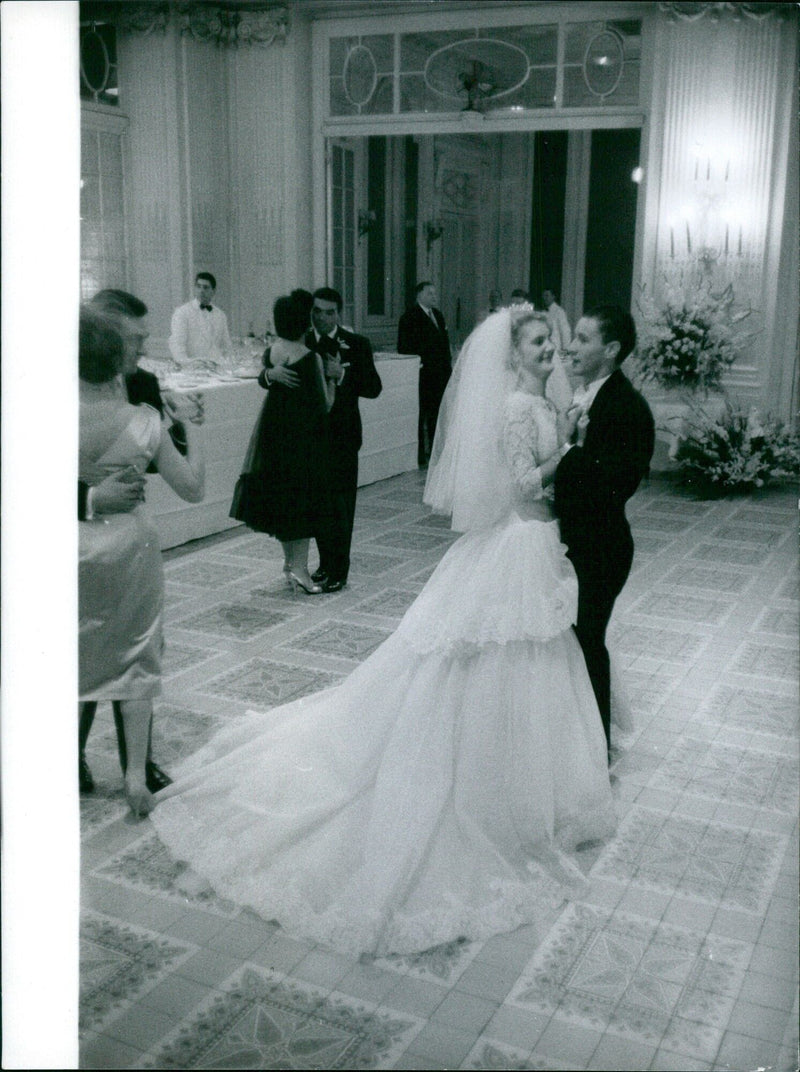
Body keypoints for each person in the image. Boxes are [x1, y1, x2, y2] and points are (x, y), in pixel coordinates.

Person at [150, 306, 616, 958]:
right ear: (514, 356)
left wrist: (565, 443)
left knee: (536, 665)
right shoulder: (515, 407)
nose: (549, 351)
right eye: (538, 343)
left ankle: (534, 792)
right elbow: (520, 487)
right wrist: (566, 455)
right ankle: (491, 792)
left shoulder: (542, 404)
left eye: (552, 342)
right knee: (491, 666)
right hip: (517, 546)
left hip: (537, 549)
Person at [79, 306, 205, 816]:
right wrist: (193, 429)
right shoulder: (144, 421)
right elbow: (193, 488)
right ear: (116, 364)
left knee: (71, 653)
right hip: (129, 546)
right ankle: (135, 779)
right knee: (135, 657)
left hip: (65, 545)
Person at [554, 305, 655, 756]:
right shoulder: (583, 395)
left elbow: (611, 486)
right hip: (574, 541)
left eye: (582, 338)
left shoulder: (627, 408)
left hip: (601, 547)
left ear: (611, 350)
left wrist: (568, 447)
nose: (570, 347)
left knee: (588, 642)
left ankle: (594, 749)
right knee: (571, 642)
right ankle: (576, 738)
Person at [229, 293, 334, 595]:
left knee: (285, 501)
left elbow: (263, 379)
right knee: (302, 502)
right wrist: (333, 379)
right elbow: (324, 404)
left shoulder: (272, 352)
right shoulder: (310, 356)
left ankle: (290, 565)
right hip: (302, 439)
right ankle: (300, 569)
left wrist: (268, 375)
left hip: (274, 436)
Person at [307, 286, 382, 592]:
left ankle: (340, 568)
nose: (323, 317)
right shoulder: (303, 342)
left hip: (344, 436)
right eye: (317, 311)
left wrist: (342, 375)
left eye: (329, 312)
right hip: (311, 438)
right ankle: (324, 563)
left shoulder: (356, 343)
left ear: (338, 313)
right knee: (318, 504)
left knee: (341, 506)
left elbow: (374, 387)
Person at [397, 281, 451, 467]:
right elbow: (404, 348)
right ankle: (419, 456)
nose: (435, 297)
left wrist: (448, 372)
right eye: (430, 293)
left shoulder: (438, 315)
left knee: (437, 415)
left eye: (435, 294)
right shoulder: (409, 317)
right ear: (419, 295)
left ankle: (436, 452)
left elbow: (444, 345)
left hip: (440, 375)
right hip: (422, 376)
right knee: (420, 417)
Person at [169, 271, 233, 367]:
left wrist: (228, 364)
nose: (201, 291)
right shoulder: (182, 312)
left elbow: (226, 345)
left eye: (206, 287)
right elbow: (177, 345)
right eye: (198, 286)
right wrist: (187, 365)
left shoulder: (220, 315)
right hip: (193, 369)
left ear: (213, 291)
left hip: (218, 368)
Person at [543, 288, 572, 354]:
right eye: (544, 296)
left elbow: (565, 331)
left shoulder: (559, 311)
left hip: (556, 348)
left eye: (547, 295)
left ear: (553, 297)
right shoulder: (543, 312)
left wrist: (565, 349)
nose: (545, 298)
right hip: (546, 348)